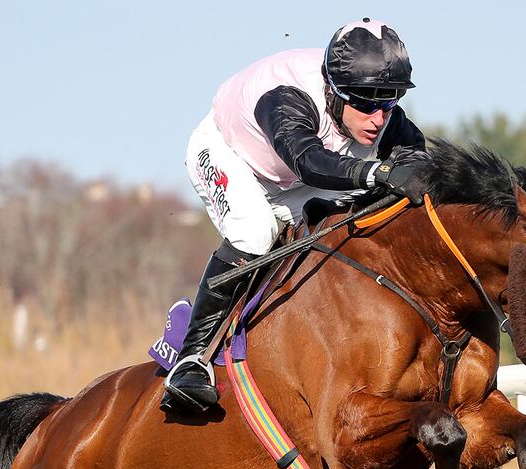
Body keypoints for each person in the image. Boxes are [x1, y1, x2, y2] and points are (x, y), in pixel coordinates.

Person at [161, 18, 429, 414]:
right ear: (334, 92)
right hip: (231, 157)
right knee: (254, 232)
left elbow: (416, 155)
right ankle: (190, 358)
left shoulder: (377, 114)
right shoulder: (286, 97)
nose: (378, 117)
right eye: (366, 101)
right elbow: (308, 161)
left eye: (389, 100)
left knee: (360, 209)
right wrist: (380, 172)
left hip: (294, 174)